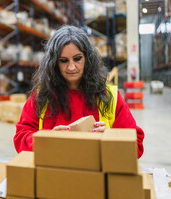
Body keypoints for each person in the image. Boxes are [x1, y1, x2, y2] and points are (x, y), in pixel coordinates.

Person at [14, 25, 144, 158]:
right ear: (54, 63)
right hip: (54, 175)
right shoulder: (41, 96)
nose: (71, 67)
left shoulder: (110, 97)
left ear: (87, 58)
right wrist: (46, 140)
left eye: (77, 59)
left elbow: (136, 144)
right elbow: (21, 137)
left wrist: (111, 138)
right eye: (63, 61)